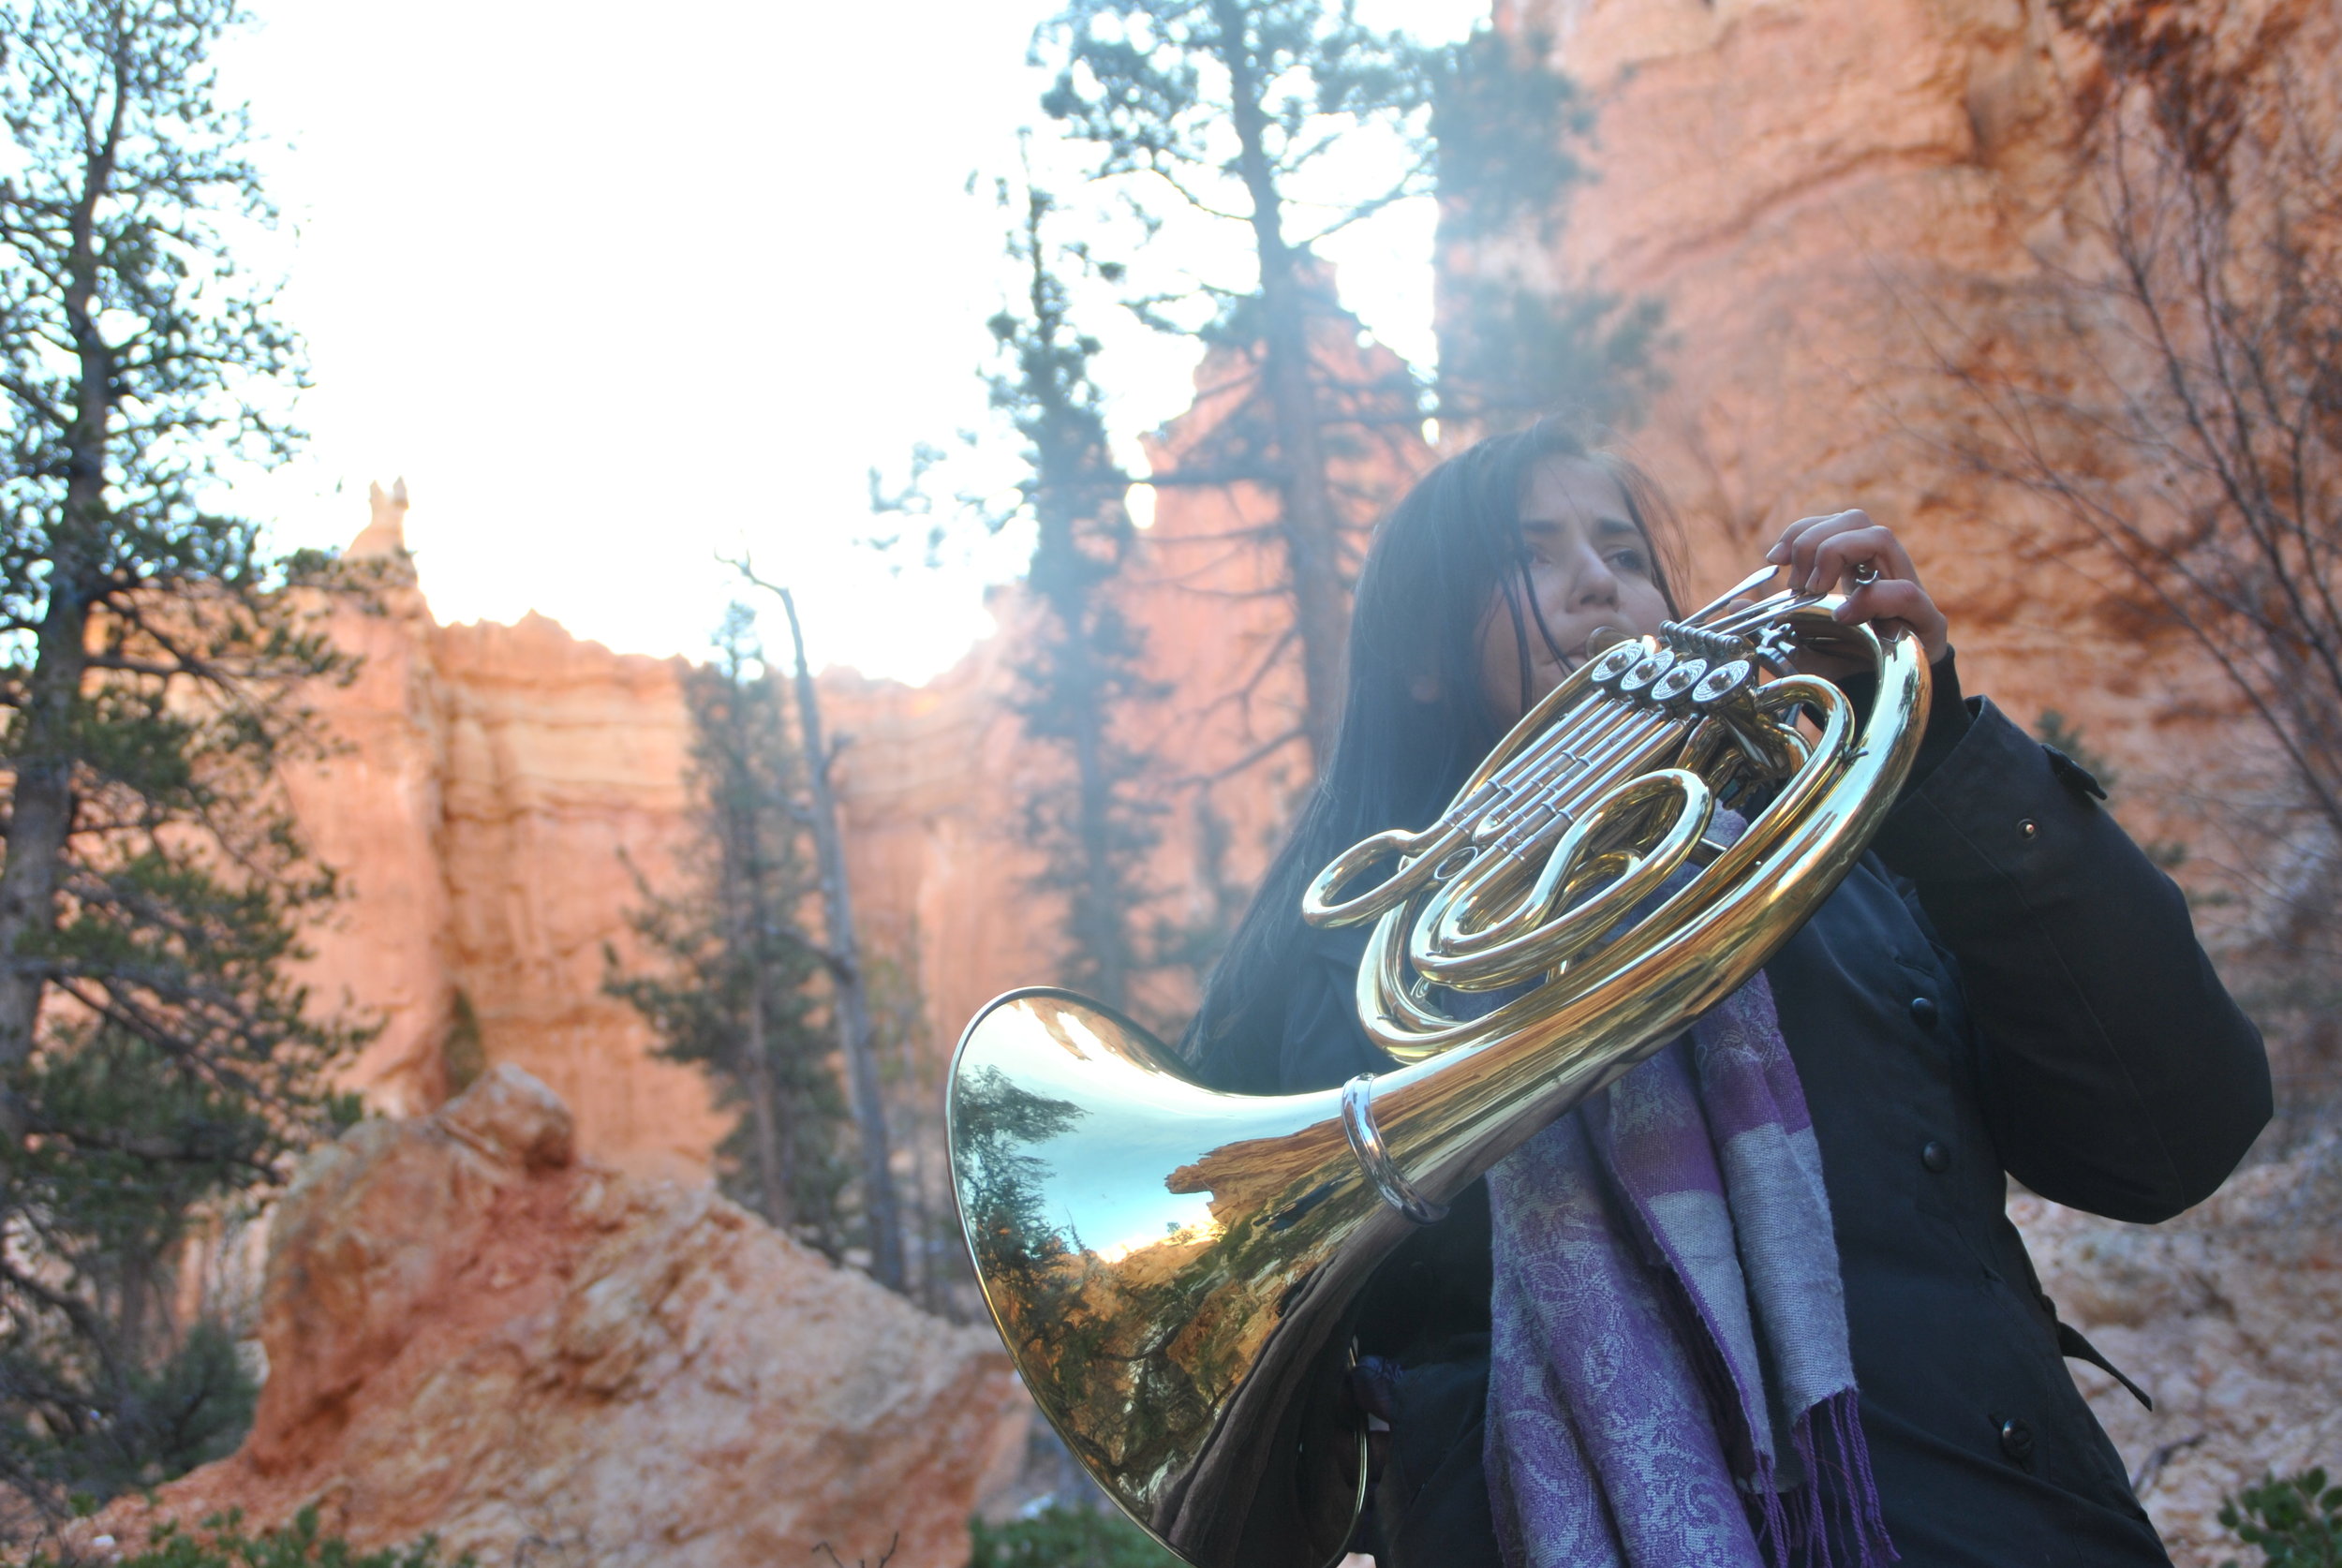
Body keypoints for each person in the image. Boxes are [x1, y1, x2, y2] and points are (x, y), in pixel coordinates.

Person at [1179, 421, 2272, 1568]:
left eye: (1623, 552)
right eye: (1530, 554)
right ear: (1424, 659)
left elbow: (2166, 1144)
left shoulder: (1840, 859)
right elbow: (1245, 1393)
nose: (1597, 581)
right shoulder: (1338, 966)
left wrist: (1942, 750)